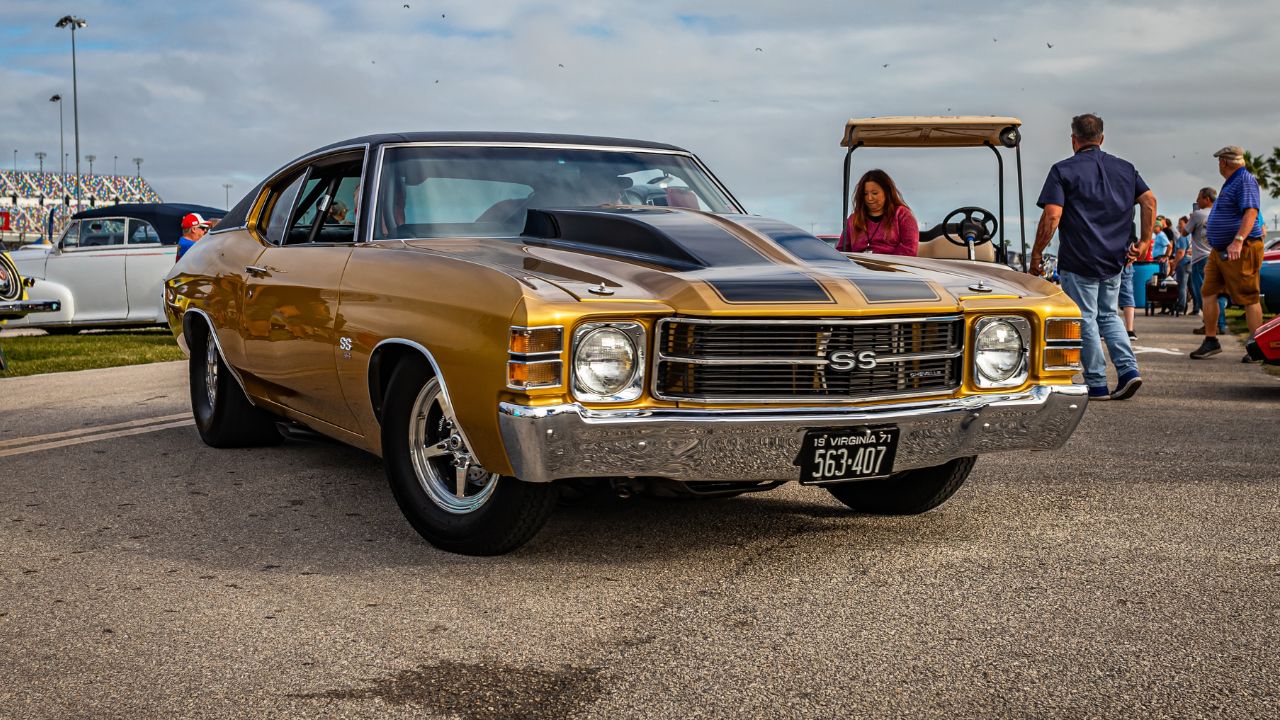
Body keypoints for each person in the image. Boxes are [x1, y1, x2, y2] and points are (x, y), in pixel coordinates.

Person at [1030, 113, 1155, 401]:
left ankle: (1097, 383)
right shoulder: (1125, 169)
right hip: (1115, 258)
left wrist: (1037, 253)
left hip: (1079, 258)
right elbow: (1149, 200)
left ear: (1074, 140)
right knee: (1109, 315)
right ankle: (1128, 371)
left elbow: (1052, 215)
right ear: (1101, 138)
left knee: (1085, 318)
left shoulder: (1063, 170)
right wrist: (1145, 241)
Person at [1190, 146, 1267, 360]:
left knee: (1248, 296)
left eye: (1219, 161)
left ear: (1224, 162)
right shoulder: (1232, 182)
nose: (1218, 165)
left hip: (1241, 248)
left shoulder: (1245, 180)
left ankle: (1257, 347)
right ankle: (1211, 340)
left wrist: (1238, 240)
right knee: (1208, 291)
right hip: (1219, 251)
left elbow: (1251, 211)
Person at [837, 169, 919, 256]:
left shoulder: (902, 214)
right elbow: (841, 251)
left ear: (887, 192)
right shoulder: (853, 219)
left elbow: (910, 249)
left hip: (892, 268)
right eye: (865, 194)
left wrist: (886, 264)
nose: (869, 198)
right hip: (858, 268)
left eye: (874, 193)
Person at [1172, 216, 1192, 314]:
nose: (1179, 226)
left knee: (1182, 286)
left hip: (1183, 263)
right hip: (1191, 262)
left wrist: (1174, 264)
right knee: (1191, 287)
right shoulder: (1191, 235)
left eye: (1181, 224)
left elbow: (1180, 252)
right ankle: (1196, 308)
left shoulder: (1183, 237)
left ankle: (1181, 307)